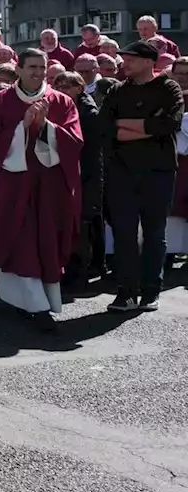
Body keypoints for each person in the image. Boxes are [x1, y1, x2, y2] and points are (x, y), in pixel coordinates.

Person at [0, 49, 83, 330]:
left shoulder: (61, 101)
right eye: (32, 67)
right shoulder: (1, 100)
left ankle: (39, 302)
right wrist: (22, 127)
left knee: (45, 242)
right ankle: (34, 306)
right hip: (13, 185)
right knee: (19, 241)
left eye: (42, 67)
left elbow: (75, 142)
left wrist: (46, 127)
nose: (38, 72)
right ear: (19, 68)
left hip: (47, 187)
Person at [101, 41, 185, 312]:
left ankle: (151, 291)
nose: (125, 63)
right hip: (122, 172)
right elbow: (105, 128)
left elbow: (169, 124)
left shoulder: (168, 88)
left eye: (131, 59)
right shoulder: (116, 90)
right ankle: (125, 292)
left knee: (154, 233)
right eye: (124, 58)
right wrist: (149, 126)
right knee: (124, 233)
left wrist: (125, 124)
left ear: (149, 62)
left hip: (158, 172)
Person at [52, 70, 104, 285]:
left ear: (80, 88)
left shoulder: (88, 112)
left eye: (67, 86)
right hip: (70, 172)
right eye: (59, 86)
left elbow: (88, 150)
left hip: (87, 174)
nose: (62, 90)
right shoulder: (62, 107)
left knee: (85, 223)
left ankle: (82, 272)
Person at [165, 58, 188, 264]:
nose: (182, 78)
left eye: (186, 74)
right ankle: (168, 254)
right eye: (179, 73)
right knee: (171, 209)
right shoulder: (165, 96)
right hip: (170, 163)